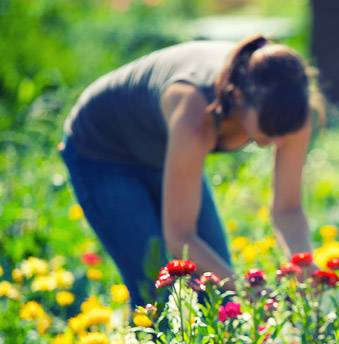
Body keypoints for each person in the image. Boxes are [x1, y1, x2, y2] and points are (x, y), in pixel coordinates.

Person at [59, 34, 324, 305]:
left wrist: (303, 270)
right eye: (270, 128)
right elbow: (180, 236)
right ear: (239, 97)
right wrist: (250, 294)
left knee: (216, 296)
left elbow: (288, 209)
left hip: (165, 150)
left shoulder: (291, 112)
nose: (280, 141)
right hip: (103, 150)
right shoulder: (196, 113)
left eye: (286, 131)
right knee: (154, 291)